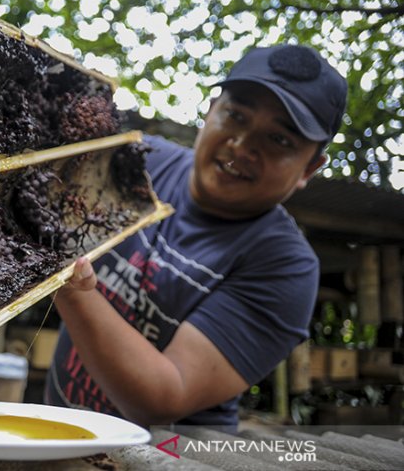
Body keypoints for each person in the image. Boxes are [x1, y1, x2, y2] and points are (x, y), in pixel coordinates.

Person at [44, 44, 348, 429]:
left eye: (280, 140)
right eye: (236, 116)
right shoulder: (141, 161)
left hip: (173, 458)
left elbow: (164, 395)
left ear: (310, 168)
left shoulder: (286, 267)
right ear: (210, 110)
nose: (242, 145)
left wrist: (65, 281)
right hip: (61, 433)